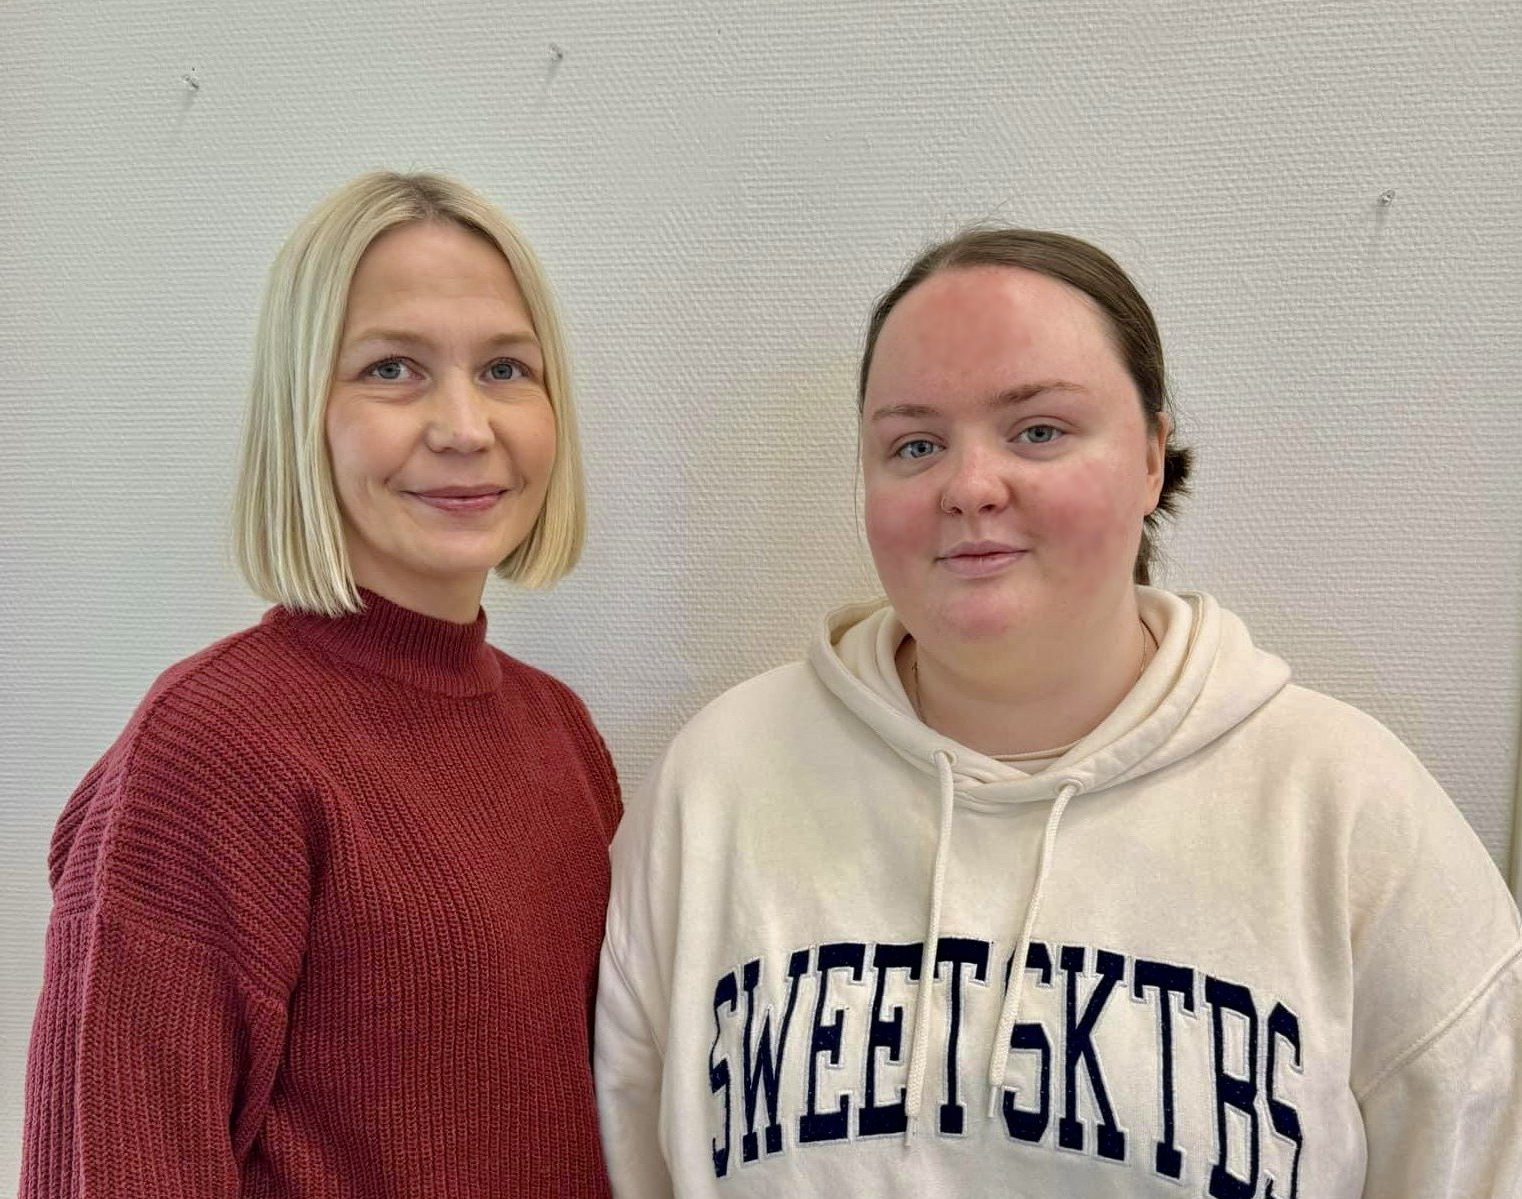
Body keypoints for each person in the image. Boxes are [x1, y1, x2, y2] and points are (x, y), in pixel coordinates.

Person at [594, 229, 1522, 1197]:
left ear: (1152, 457)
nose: (969, 487)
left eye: (1038, 430)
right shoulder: (717, 784)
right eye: (915, 444)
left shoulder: (1352, 815)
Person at [21, 171, 621, 1197]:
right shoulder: (211, 749)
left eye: (505, 368)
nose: (465, 425)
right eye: (393, 369)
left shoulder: (558, 733)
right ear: (304, 414)